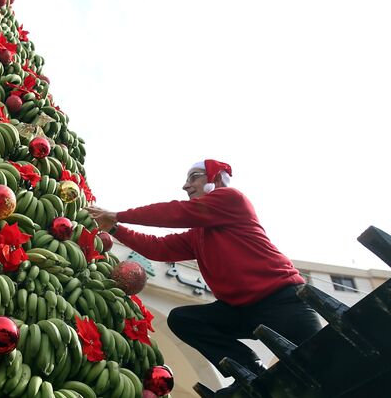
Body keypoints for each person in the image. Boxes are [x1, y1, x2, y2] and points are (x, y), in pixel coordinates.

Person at [86, 159, 322, 396]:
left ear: (217, 178)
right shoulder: (198, 235)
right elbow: (157, 248)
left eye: (194, 177)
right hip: (240, 311)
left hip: (283, 303)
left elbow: (175, 212)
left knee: (327, 367)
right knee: (183, 319)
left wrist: (119, 215)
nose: (186, 186)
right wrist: (115, 228)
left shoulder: (231, 199)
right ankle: (248, 368)